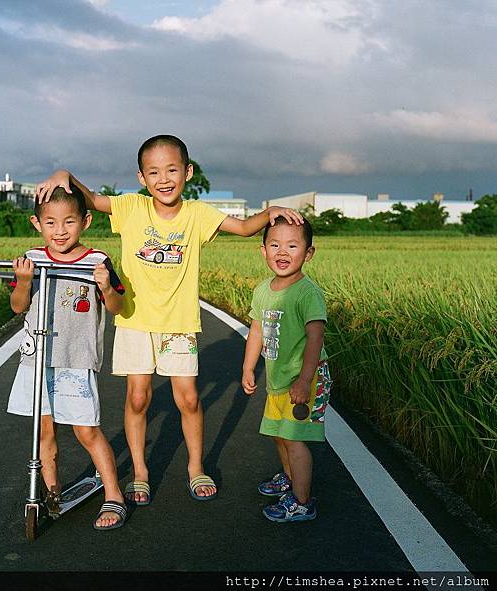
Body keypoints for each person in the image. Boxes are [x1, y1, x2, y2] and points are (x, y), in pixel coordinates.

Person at [36, 134, 302, 505]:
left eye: (172, 170)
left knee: (189, 399)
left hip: (178, 323)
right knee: (139, 396)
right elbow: (93, 200)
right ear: (142, 177)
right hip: (133, 320)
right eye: (154, 172)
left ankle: (196, 466)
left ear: (188, 172)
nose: (164, 178)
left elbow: (242, 228)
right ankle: (141, 472)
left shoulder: (196, 214)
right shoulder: (131, 208)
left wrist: (270, 213)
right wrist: (66, 173)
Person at [7, 184, 127, 530]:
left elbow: (118, 307)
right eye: (51, 223)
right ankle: (52, 492)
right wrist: (24, 282)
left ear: (85, 222)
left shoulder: (96, 261)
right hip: (37, 358)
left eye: (69, 222)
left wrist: (105, 287)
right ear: (37, 223)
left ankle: (114, 494)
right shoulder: (32, 258)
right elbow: (18, 307)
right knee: (43, 431)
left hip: (75, 358)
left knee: (86, 431)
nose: (60, 231)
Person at [242, 216, 331, 522]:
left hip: (305, 378)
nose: (282, 252)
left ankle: (302, 502)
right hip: (278, 379)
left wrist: (305, 379)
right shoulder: (263, 289)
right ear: (263, 250)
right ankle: (290, 478)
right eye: (274, 244)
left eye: (292, 246)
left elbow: (316, 336)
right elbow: (256, 329)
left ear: (308, 253)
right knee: (279, 435)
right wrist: (248, 367)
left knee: (294, 438)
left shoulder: (307, 293)